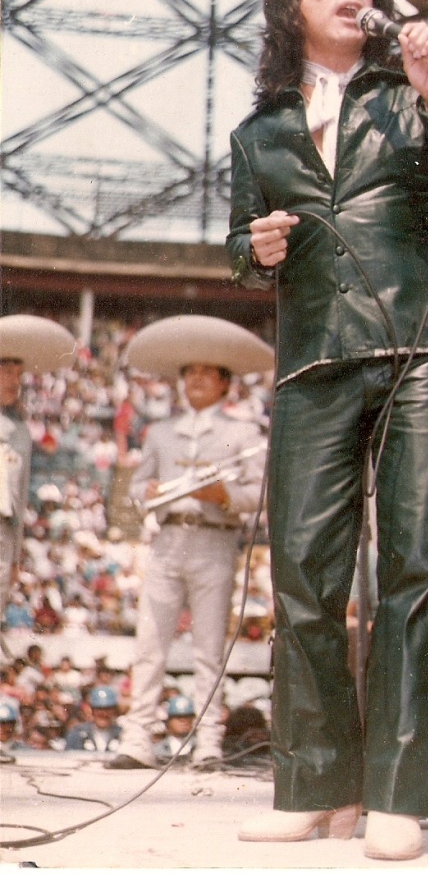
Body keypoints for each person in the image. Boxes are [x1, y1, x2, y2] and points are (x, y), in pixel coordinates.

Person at [226, 0, 428, 860]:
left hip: (420, 345)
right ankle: (314, 785)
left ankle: (394, 790)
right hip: (314, 360)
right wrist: (255, 248)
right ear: (290, 3)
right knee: (304, 569)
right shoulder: (257, 133)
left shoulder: (406, 95)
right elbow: (237, 252)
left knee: (415, 566)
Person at [107, 315, 272, 772]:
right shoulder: (161, 431)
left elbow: (259, 497)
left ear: (224, 384)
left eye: (207, 373)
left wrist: (223, 496)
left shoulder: (243, 434)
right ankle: (137, 738)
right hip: (167, 540)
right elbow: (137, 488)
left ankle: (208, 744)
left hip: (214, 542)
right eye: (190, 372)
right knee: (150, 643)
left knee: (208, 649)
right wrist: (151, 494)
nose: (196, 380)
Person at [0, 315, 75, 623]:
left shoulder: (19, 431)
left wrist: (15, 555)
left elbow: (17, 501)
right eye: (5, 370)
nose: (14, 380)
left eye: (18, 373)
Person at [65, 685, 122, 754]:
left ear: (114, 711)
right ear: (92, 710)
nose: (103, 714)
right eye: (99, 709)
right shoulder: (78, 734)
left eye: (108, 709)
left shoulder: (123, 735)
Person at [154, 694, 196, 765]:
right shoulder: (156, 749)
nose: (184, 721)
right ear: (168, 721)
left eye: (188, 717)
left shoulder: (200, 746)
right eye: (178, 717)